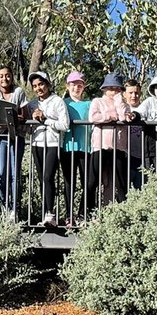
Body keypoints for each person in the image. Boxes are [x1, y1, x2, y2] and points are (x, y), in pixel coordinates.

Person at [28, 71, 69, 228]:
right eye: (35, 86)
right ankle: (45, 214)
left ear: (48, 84)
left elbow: (64, 125)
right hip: (36, 144)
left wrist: (45, 119)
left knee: (48, 177)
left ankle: (50, 214)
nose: (39, 88)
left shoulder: (58, 101)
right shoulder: (32, 104)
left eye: (41, 84)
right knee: (41, 179)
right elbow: (28, 127)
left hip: (53, 143)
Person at [0, 65, 27, 216]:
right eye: (1, 76)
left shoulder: (18, 92)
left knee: (15, 172)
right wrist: (6, 119)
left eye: (8, 75)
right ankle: (3, 205)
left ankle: (15, 207)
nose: (5, 78)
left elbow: (24, 115)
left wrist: (9, 119)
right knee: (1, 171)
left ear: (12, 76)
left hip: (16, 136)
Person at [88, 73, 131, 208]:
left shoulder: (124, 105)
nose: (114, 91)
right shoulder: (97, 101)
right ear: (105, 89)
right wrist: (111, 116)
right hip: (100, 145)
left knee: (120, 182)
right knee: (93, 181)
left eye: (117, 89)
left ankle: (124, 212)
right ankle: (86, 212)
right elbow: (93, 117)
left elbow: (123, 118)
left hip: (119, 147)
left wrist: (119, 102)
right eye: (111, 88)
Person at [60, 71, 90, 226]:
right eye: (73, 85)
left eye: (79, 85)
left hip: (86, 148)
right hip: (67, 147)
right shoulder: (63, 103)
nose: (76, 88)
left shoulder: (89, 104)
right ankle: (69, 216)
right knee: (69, 182)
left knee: (88, 182)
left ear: (83, 87)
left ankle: (83, 214)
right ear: (67, 86)